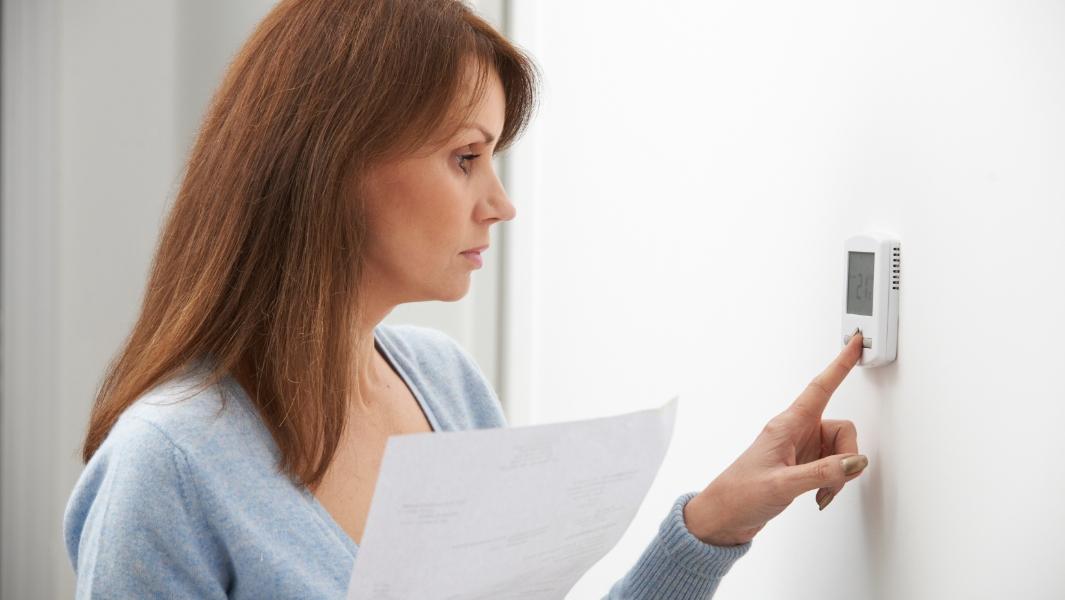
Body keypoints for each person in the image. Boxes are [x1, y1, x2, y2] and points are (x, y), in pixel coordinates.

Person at [62, 0, 869, 598]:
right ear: (333, 163)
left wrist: (713, 526)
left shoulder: (446, 385)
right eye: (465, 158)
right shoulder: (165, 466)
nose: (500, 203)